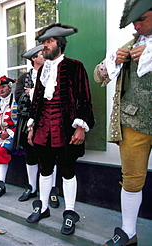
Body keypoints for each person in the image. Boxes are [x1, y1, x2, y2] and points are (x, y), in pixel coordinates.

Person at [25, 23, 94, 236]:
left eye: (49, 41)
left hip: (65, 128)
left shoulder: (75, 66)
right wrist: (31, 127)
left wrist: (81, 127)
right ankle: (43, 207)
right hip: (43, 128)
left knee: (67, 169)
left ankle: (70, 212)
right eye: (43, 42)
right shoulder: (41, 71)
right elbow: (36, 102)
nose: (45, 46)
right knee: (45, 168)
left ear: (60, 44)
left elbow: (84, 97)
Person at [93, 1, 152, 245]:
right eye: (134, 22)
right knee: (131, 179)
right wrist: (114, 62)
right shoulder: (129, 46)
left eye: (143, 19)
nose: (137, 25)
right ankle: (129, 233)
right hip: (133, 121)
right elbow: (99, 76)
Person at [13, 44, 60, 207]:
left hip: (47, 120)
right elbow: (19, 98)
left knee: (50, 154)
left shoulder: (53, 73)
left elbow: (53, 97)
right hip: (27, 121)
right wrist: (29, 94)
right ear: (34, 58)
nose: (45, 55)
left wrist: (31, 92)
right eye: (42, 53)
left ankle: (52, 190)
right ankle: (32, 187)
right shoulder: (23, 78)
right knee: (30, 154)